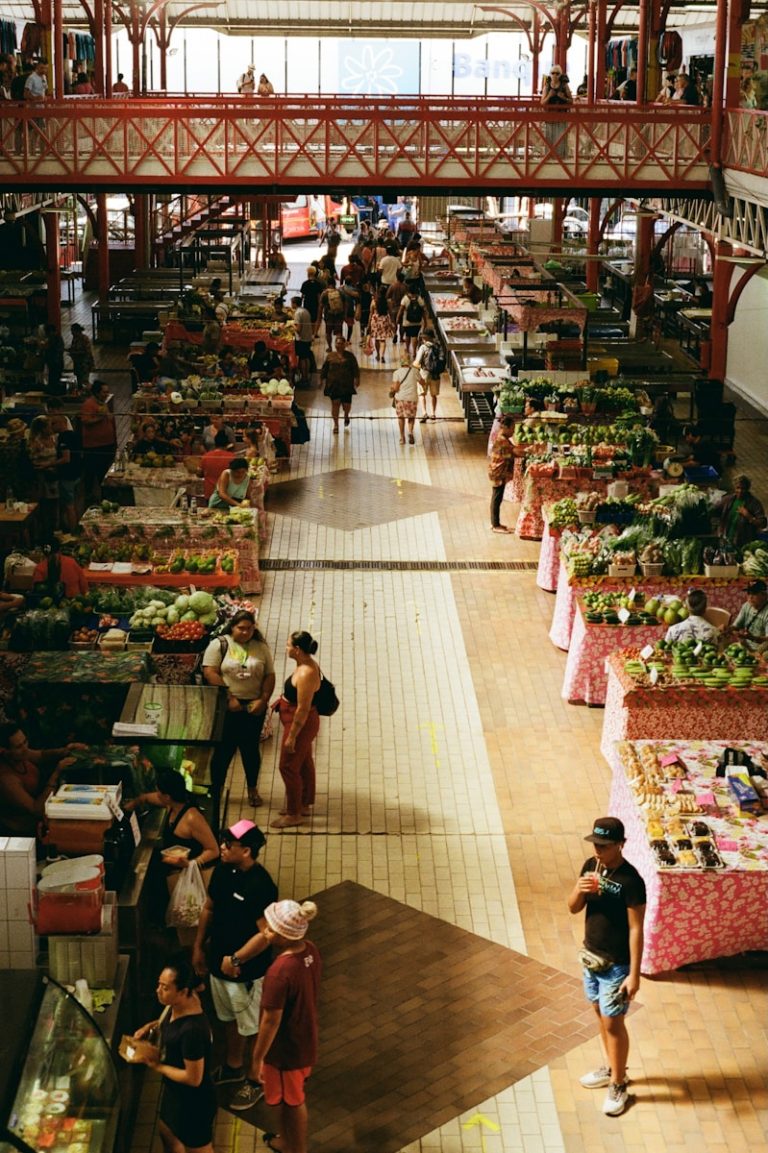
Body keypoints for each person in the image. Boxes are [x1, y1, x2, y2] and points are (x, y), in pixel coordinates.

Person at [224, 899, 321, 1147]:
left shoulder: (279, 972)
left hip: (285, 1052)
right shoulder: (309, 950)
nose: (265, 931)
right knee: (291, 1098)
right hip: (304, 1038)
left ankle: (294, 1147)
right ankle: (287, 1140)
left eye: (271, 928)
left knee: (290, 1102)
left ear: (285, 936)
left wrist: (256, 1060)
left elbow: (270, 1021)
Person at [192, 820, 277, 1093]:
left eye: (229, 845)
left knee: (252, 1027)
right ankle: (233, 1065)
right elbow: (209, 908)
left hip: (246, 973)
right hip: (219, 964)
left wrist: (237, 959)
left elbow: (266, 934)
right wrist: (198, 947)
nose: (222, 848)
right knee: (228, 1018)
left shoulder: (261, 885)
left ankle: (256, 1078)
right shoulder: (222, 871)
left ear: (247, 851)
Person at [568, 817, 645, 1117]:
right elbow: (573, 907)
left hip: (617, 965)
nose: (598, 850)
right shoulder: (591, 866)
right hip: (591, 956)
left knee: (614, 1023)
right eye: (595, 845)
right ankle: (614, 1067)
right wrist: (580, 888)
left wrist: (634, 974)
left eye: (604, 845)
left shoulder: (632, 881)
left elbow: (636, 929)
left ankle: (619, 1084)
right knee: (600, 1014)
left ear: (620, 845)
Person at [131, 956, 217, 1153]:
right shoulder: (179, 1003)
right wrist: (149, 1026)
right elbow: (168, 1021)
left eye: (165, 988)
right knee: (166, 1132)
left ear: (183, 992)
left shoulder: (192, 1031)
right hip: (175, 1094)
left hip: (194, 1103)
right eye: (159, 985)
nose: (158, 991)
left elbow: (193, 1078)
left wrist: (157, 1066)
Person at [126, 768, 220, 942]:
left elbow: (214, 849)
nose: (158, 795)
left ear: (168, 796)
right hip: (172, 870)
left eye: (160, 793)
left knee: (188, 924)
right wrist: (136, 802)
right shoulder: (172, 804)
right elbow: (149, 797)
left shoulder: (192, 817)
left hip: (190, 873)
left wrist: (190, 863)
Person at [203, 611, 275, 810]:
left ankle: (252, 789)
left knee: (250, 750)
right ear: (232, 627)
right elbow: (210, 672)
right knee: (223, 751)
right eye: (241, 628)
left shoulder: (261, 648)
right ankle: (215, 790)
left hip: (253, 708)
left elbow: (269, 675)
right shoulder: (219, 645)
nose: (245, 632)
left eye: (249, 628)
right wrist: (230, 697)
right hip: (226, 708)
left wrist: (263, 699)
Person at [272, 631, 322, 830]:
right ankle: (304, 803)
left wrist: (292, 736)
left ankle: (294, 813)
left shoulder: (306, 672)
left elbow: (303, 708)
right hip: (295, 721)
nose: (286, 648)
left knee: (288, 766)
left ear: (297, 649)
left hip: (299, 724)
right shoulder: (303, 665)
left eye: (288, 645)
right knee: (303, 762)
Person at [0, 722, 86, 836]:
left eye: (25, 742)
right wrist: (56, 773)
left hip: (39, 820)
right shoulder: (6, 779)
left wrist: (65, 751)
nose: (25, 748)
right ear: (6, 750)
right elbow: (37, 810)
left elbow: (41, 755)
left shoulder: (20, 754)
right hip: (22, 832)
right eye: (19, 746)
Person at [80, 379, 117, 501]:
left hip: (107, 444)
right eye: (104, 392)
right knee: (93, 474)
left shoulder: (103, 403)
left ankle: (106, 496)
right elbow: (85, 420)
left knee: (106, 473)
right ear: (96, 392)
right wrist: (100, 418)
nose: (106, 394)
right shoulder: (88, 404)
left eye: (107, 391)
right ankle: (91, 498)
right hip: (94, 446)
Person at [320, 335, 359, 434]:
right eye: (337, 343)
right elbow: (324, 369)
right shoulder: (330, 356)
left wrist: (357, 379)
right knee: (335, 404)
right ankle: (336, 424)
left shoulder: (350, 356)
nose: (339, 345)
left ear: (344, 345)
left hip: (346, 385)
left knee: (346, 404)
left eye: (341, 343)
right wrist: (321, 380)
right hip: (333, 385)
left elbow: (355, 368)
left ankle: (346, 415)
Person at [716, 475, 766, 548]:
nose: (740, 491)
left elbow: (763, 523)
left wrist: (749, 517)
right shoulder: (728, 500)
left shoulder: (754, 503)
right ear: (734, 488)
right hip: (726, 539)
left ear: (747, 489)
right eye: (738, 488)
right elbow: (714, 510)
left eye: (743, 488)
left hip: (744, 542)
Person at [488, 416, 516, 533]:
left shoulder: (500, 436)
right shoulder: (502, 441)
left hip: (497, 471)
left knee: (497, 497)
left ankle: (496, 523)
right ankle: (495, 525)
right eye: (512, 428)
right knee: (496, 498)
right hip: (498, 472)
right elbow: (514, 452)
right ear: (505, 427)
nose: (513, 431)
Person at [541, 65, 572, 158]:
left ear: (560, 75)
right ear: (550, 75)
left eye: (557, 73)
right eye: (552, 73)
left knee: (561, 140)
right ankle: (549, 158)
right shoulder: (547, 86)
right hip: (550, 118)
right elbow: (542, 102)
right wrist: (549, 96)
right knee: (549, 140)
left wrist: (563, 98)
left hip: (562, 117)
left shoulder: (565, 86)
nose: (555, 75)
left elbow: (571, 101)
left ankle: (562, 159)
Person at [414, 329, 445, 423]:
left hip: (424, 374)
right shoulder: (439, 347)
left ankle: (424, 413)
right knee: (434, 395)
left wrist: (414, 366)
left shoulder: (423, 347)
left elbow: (417, 362)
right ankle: (433, 413)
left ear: (425, 338)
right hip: (436, 374)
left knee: (422, 394)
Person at [390, 357, 419, 446]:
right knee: (411, 417)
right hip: (412, 398)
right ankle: (410, 432)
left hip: (400, 398)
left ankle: (402, 438)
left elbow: (395, 388)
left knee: (401, 417)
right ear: (409, 363)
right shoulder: (415, 371)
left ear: (401, 363)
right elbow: (422, 382)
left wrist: (391, 389)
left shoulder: (397, 372)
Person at [199, 429, 236, 500]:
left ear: (215, 443)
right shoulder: (232, 457)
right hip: (227, 494)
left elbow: (199, 473)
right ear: (227, 444)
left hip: (210, 493)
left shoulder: (206, 456)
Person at [730, 579, 768, 645]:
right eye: (749, 593)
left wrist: (752, 638)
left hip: (762, 651)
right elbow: (736, 626)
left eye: (754, 593)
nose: (750, 597)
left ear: (764, 595)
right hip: (745, 646)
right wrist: (727, 629)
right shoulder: (746, 605)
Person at [24, 59, 48, 155]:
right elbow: (26, 94)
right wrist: (35, 98)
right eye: (42, 68)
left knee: (43, 130)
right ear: (37, 67)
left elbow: (44, 89)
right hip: (33, 108)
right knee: (35, 131)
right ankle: (32, 152)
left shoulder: (44, 77)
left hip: (42, 108)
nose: (44, 70)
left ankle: (43, 151)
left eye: (45, 68)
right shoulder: (31, 78)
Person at [316, 282, 346, 351]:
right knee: (339, 333)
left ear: (327, 285)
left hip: (328, 315)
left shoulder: (325, 293)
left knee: (328, 332)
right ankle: (339, 347)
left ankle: (330, 347)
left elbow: (321, 306)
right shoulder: (340, 292)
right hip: (339, 315)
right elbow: (345, 304)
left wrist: (319, 316)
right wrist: (344, 315)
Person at [396, 288, 425, 360]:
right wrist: (425, 320)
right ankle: (414, 352)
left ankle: (408, 350)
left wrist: (397, 318)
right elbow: (423, 310)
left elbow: (401, 310)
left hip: (407, 322)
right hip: (417, 322)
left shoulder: (405, 298)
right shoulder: (419, 298)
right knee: (415, 336)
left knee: (408, 335)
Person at [368, 286, 395, 362]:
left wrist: (369, 324)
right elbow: (391, 312)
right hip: (384, 320)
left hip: (375, 320)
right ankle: (382, 355)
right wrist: (393, 322)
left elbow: (371, 313)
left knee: (376, 339)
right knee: (383, 340)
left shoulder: (374, 301)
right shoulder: (388, 301)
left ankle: (378, 355)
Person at [291, 295, 313, 387]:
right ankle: (306, 377)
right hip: (308, 338)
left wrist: (291, 325)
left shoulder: (297, 313)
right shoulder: (305, 311)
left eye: (292, 302)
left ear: (295, 304)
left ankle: (304, 379)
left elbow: (298, 329)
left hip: (301, 339)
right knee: (306, 357)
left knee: (302, 359)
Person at [68, 323, 95, 389]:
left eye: (73, 331)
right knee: (79, 380)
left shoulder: (84, 339)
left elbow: (87, 351)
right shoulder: (75, 339)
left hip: (84, 362)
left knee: (84, 381)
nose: (72, 333)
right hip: (77, 362)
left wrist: (75, 352)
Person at [43, 323, 65, 396]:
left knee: (54, 378)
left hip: (56, 362)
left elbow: (54, 350)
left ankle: (54, 393)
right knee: (53, 378)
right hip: (54, 362)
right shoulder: (55, 338)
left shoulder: (55, 339)